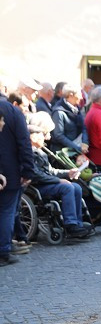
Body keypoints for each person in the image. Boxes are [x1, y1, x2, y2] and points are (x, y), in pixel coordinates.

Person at [25, 112, 93, 237]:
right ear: (33, 137)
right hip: (37, 187)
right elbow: (36, 174)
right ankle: (70, 224)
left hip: (45, 183)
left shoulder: (40, 151)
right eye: (44, 134)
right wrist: (57, 181)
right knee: (67, 187)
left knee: (76, 187)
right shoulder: (28, 152)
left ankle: (77, 223)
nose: (48, 138)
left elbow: (50, 171)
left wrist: (68, 173)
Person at [0, 90, 34, 265]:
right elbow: (24, 142)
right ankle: (3, 251)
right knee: (6, 211)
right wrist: (28, 170)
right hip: (10, 170)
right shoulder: (12, 111)